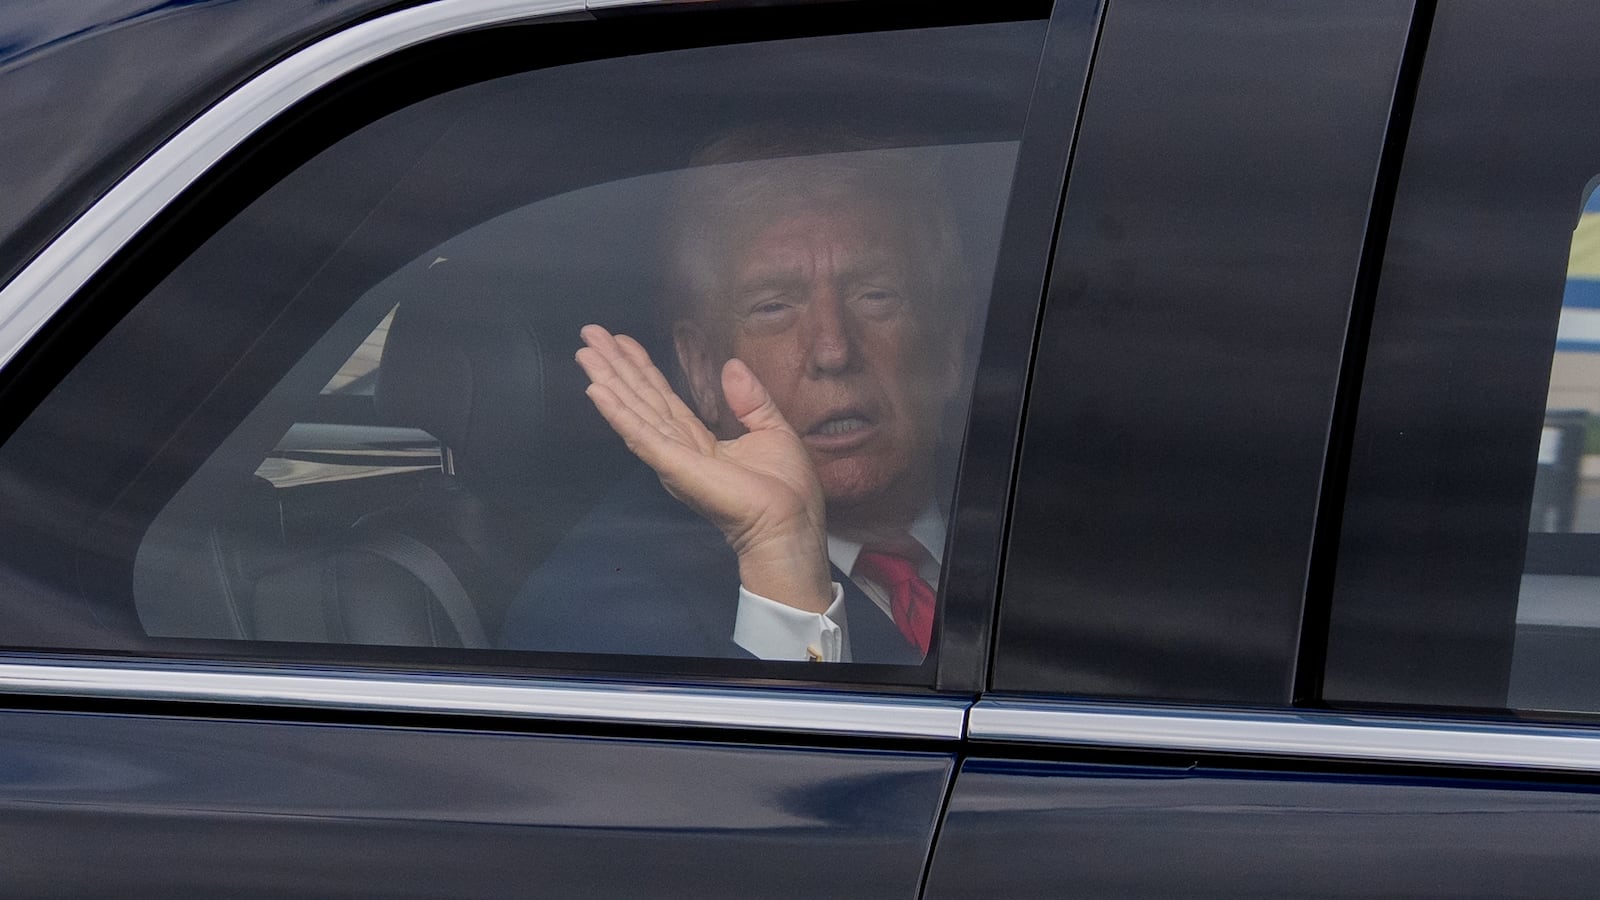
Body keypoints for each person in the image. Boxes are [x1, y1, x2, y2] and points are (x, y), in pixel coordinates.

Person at [498, 138, 970, 663]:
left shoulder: (1047, 518)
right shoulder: (597, 614)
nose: (834, 350)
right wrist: (781, 558)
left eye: (875, 296)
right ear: (702, 369)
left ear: (949, 344)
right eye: (773, 307)